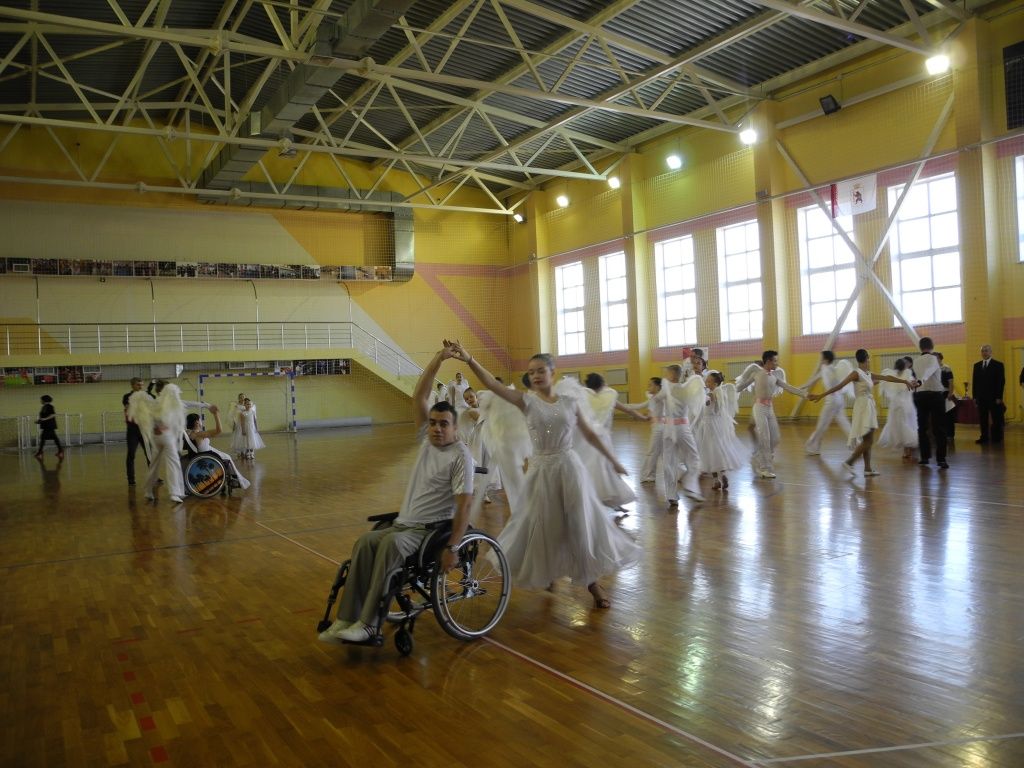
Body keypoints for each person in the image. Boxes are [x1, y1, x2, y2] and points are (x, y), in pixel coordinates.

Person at [446, 342, 640, 610]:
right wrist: (468, 358)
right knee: (544, 525)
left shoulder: (570, 402)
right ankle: (549, 571)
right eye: (531, 372)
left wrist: (614, 460)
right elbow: (492, 385)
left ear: (552, 372)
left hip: (570, 469)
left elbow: (591, 434)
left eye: (540, 370)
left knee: (579, 525)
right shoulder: (526, 402)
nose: (535, 375)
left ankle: (592, 583)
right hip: (541, 473)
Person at [319, 348, 474, 645]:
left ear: (455, 427)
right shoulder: (426, 441)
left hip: (431, 530)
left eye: (444, 424)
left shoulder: (460, 456)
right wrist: (438, 359)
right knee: (365, 542)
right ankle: (346, 618)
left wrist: (453, 547)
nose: (437, 429)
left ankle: (369, 624)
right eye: (433, 423)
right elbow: (419, 396)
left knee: (389, 544)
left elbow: (464, 505)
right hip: (406, 524)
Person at [810, 349, 914, 476]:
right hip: (863, 407)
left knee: (867, 439)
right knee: (868, 441)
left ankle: (867, 469)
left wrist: (903, 381)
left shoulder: (867, 374)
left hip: (867, 406)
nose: (869, 360)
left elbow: (886, 377)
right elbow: (839, 386)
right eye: (868, 358)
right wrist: (821, 395)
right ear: (866, 359)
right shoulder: (856, 373)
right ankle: (849, 462)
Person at [128, 380, 210, 503]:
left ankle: (148, 491)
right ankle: (175, 493)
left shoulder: (152, 403)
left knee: (154, 465)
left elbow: (148, 418)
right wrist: (207, 405)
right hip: (167, 437)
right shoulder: (172, 403)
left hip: (156, 439)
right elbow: (189, 403)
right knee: (173, 463)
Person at [734, 351, 809, 479]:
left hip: (770, 408)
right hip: (759, 408)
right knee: (765, 437)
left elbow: (788, 387)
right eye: (775, 361)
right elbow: (740, 387)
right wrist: (723, 390)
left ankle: (762, 454)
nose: (777, 363)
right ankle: (764, 468)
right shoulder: (756, 373)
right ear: (768, 361)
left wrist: (805, 394)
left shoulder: (774, 376)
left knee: (775, 438)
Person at [656, 364, 706, 506]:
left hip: (668, 429)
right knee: (694, 457)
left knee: (669, 461)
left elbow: (656, 399)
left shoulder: (667, 389)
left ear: (673, 375)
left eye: (667, 373)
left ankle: (672, 494)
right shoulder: (685, 388)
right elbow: (697, 401)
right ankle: (690, 486)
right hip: (682, 428)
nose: (665, 376)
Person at [696, 372, 745, 491]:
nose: (706, 383)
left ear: (715, 383)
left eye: (708, 381)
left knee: (710, 452)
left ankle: (716, 480)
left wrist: (702, 399)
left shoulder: (713, 393)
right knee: (717, 450)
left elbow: (708, 402)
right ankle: (721, 476)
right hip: (717, 424)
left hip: (710, 425)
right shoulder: (721, 392)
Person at [185, 407, 250, 490]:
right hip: (207, 455)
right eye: (200, 419)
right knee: (228, 457)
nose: (201, 421)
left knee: (227, 456)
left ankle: (234, 477)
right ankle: (235, 478)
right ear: (197, 422)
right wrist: (216, 415)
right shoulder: (199, 434)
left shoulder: (190, 433)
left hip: (205, 453)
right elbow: (219, 430)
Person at [801, 351, 853, 455]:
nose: (820, 360)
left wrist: (799, 388)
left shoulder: (825, 369)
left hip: (831, 400)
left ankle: (813, 447)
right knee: (845, 423)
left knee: (821, 425)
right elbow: (813, 380)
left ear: (825, 360)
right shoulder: (834, 368)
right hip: (839, 399)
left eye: (821, 358)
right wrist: (802, 387)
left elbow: (813, 381)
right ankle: (858, 445)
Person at [912, 337, 948, 469]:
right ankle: (941, 459)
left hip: (920, 396)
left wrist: (920, 382)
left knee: (922, 427)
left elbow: (923, 373)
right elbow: (928, 372)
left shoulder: (916, 361)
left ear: (920, 347)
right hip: (935, 395)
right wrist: (921, 381)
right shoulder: (934, 359)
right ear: (932, 346)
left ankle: (925, 457)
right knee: (939, 427)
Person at [622, 377, 664, 484]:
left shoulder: (660, 397)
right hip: (657, 427)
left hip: (660, 428)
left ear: (658, 386)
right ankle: (650, 475)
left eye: (650, 385)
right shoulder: (654, 398)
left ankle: (649, 475)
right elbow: (638, 406)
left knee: (653, 452)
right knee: (659, 453)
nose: (648, 387)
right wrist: (621, 406)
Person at [876, 357, 918, 461]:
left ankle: (905, 451)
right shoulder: (908, 373)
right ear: (905, 366)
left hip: (895, 405)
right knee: (907, 425)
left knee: (899, 427)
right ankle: (907, 450)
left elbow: (881, 381)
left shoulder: (891, 374)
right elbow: (913, 385)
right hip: (906, 404)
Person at [972, 345, 1005, 445]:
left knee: (996, 418)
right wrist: (974, 397)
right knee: (983, 418)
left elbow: (1001, 382)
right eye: (982, 351)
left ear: (991, 352)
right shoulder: (977, 365)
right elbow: (975, 382)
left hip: (994, 397)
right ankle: (984, 437)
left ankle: (996, 437)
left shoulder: (998, 365)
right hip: (981, 397)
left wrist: (999, 397)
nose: (984, 353)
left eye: (986, 351)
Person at [123, 377, 150, 486]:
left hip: (144, 428)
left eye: (142, 385)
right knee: (131, 454)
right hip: (132, 430)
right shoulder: (127, 397)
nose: (141, 387)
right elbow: (128, 407)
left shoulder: (145, 396)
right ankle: (131, 479)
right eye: (138, 385)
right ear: (133, 385)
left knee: (150, 453)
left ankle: (154, 476)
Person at [936, 352, 957, 443]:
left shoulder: (946, 368)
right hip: (935, 394)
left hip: (945, 393)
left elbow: (951, 382)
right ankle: (939, 434)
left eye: (936, 358)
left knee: (948, 416)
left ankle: (950, 435)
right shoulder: (932, 369)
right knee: (938, 416)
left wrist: (950, 393)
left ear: (940, 358)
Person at [34, 395, 63, 459]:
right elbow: (43, 417)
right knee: (54, 438)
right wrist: (39, 421)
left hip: (49, 425)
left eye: (41, 400)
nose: (40, 401)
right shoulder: (44, 407)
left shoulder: (50, 406)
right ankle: (60, 451)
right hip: (46, 425)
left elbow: (53, 415)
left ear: (45, 400)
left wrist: (44, 419)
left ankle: (40, 452)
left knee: (43, 438)